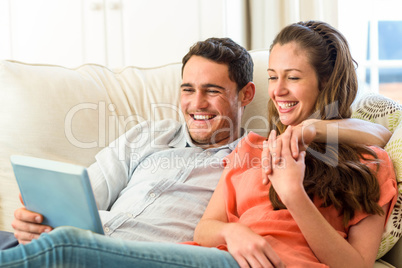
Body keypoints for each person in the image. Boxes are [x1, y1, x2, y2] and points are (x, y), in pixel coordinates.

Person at [0, 27, 396, 267]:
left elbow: (377, 133)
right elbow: (83, 197)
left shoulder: (246, 148)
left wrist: (313, 134)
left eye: (212, 91)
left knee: (62, 246)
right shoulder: (243, 148)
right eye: (188, 89)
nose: (197, 104)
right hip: (95, 241)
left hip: (156, 254)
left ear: (245, 96)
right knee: (30, 241)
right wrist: (37, 217)